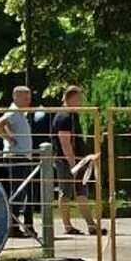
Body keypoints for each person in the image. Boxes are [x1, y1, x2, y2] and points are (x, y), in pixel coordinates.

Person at [50, 85, 103, 235]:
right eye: (79, 99)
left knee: (81, 192)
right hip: (66, 161)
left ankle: (91, 225)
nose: (81, 102)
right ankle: (68, 226)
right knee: (65, 192)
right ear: (71, 98)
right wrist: (73, 163)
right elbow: (64, 142)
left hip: (77, 160)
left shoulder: (72, 115)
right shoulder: (64, 117)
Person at [0, 85, 39, 238]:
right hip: (16, 156)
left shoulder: (20, 113)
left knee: (24, 191)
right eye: (25, 98)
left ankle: (26, 225)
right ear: (16, 97)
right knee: (18, 191)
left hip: (23, 156)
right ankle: (12, 226)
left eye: (29, 97)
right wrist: (9, 139)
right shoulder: (13, 112)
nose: (28, 100)